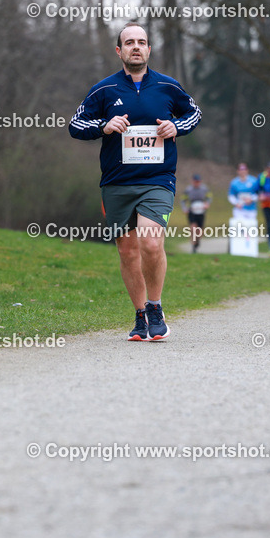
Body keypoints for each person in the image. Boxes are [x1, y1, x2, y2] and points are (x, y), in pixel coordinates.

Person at [69, 22, 202, 342]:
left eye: (142, 42)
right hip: (116, 182)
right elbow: (75, 125)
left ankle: (155, 307)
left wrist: (176, 127)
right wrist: (104, 125)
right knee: (128, 251)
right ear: (119, 51)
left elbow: (194, 114)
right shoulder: (104, 90)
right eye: (129, 42)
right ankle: (140, 315)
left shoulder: (169, 87)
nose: (136, 47)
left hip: (158, 179)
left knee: (151, 242)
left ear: (149, 49)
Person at [181, 174, 212, 253]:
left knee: (200, 231)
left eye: (198, 182)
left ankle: (197, 241)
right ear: (192, 181)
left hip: (201, 211)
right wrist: (185, 208)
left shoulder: (204, 189)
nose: (197, 183)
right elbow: (183, 199)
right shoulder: (188, 190)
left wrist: (207, 204)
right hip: (192, 210)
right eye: (195, 182)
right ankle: (193, 245)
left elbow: (209, 197)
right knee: (193, 228)